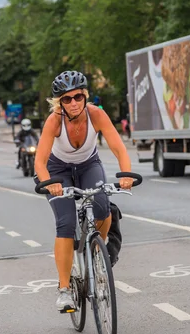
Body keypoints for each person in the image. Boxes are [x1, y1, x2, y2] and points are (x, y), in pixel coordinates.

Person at [34, 70, 134, 313]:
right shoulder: (54, 121)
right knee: (66, 225)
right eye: (66, 99)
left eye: (78, 97)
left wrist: (127, 174)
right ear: (60, 103)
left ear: (85, 96)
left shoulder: (96, 115)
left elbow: (119, 148)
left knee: (102, 206)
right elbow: (39, 162)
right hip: (57, 170)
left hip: (89, 165)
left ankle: (97, 252)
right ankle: (65, 289)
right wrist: (50, 184)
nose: (73, 103)